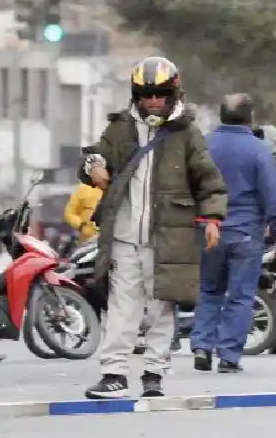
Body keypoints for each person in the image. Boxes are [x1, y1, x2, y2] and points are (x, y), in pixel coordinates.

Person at [80, 56, 227, 399]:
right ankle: (114, 372)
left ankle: (154, 373)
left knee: (163, 305)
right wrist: (94, 166)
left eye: (160, 94)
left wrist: (213, 219)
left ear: (173, 93)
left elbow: (209, 181)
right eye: (146, 95)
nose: (153, 102)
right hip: (123, 236)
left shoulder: (188, 134)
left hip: (170, 237)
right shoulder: (120, 129)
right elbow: (94, 156)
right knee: (121, 306)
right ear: (136, 95)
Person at [191, 93, 276, 373]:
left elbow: (191, 186)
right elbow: (272, 194)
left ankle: (202, 347)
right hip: (245, 232)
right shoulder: (258, 149)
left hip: (209, 229)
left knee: (209, 290)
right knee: (241, 295)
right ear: (250, 116)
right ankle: (229, 356)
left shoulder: (204, 145)